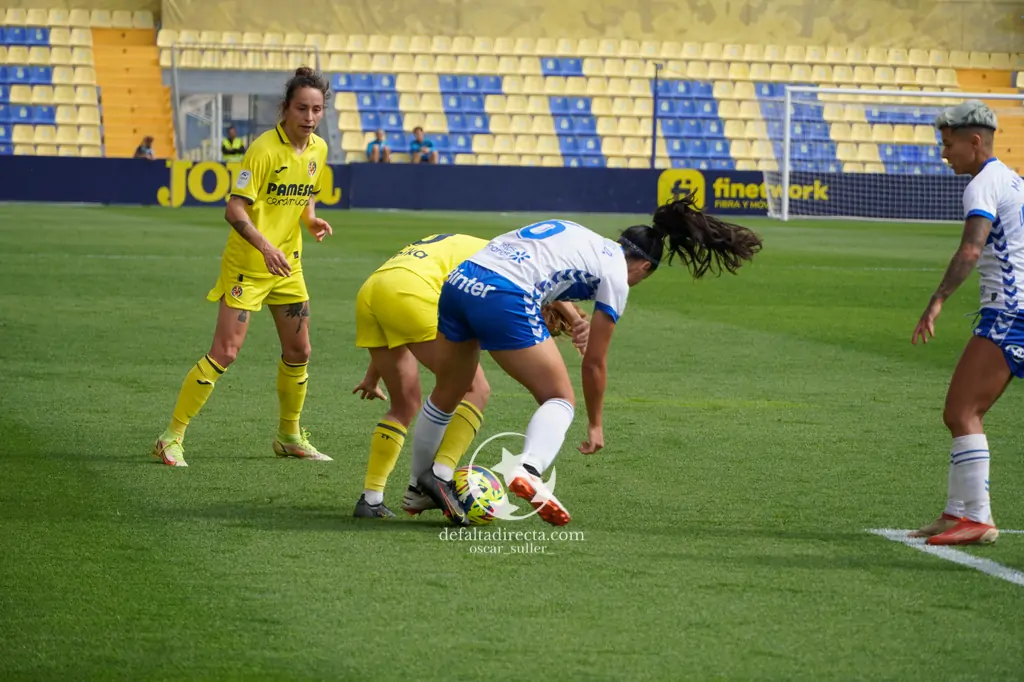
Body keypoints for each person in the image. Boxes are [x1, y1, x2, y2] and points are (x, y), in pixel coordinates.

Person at [407, 196, 763, 526]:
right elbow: (594, 364)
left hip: (461, 281)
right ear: (642, 267)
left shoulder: (577, 231)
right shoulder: (618, 277)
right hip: (504, 295)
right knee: (559, 397)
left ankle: (419, 489)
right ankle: (529, 470)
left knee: (449, 391)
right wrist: (595, 425)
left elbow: (539, 266)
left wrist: (578, 320)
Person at [152, 67, 334, 467]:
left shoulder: (318, 149)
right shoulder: (263, 149)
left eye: (316, 109)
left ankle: (288, 435)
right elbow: (234, 208)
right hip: (249, 266)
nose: (308, 116)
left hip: (288, 265)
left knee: (300, 349)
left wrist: (310, 220)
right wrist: (266, 246)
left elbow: (306, 193)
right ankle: (171, 436)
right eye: (301, 108)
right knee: (226, 352)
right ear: (285, 108)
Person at [349, 233, 589, 519]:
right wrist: (575, 320)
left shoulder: (483, 253)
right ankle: (438, 475)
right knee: (475, 388)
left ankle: (371, 499)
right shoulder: (507, 267)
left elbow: (396, 313)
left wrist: (373, 374)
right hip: (412, 290)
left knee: (404, 404)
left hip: (375, 288)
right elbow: (546, 283)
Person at [910, 100, 1024, 546]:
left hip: (1008, 315)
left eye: (949, 143)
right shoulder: (1013, 180)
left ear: (975, 142)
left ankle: (978, 518)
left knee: (962, 412)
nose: (944, 152)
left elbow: (972, 251)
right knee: (959, 412)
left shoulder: (982, 186)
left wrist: (936, 300)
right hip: (1012, 311)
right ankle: (956, 512)